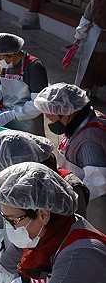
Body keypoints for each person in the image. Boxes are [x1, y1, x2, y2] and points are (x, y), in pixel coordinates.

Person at [0, 129, 90, 266]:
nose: (3, 181)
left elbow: (68, 240)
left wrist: (6, 264)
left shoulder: (69, 192)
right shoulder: (12, 190)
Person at [34, 83, 106, 233]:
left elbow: (98, 183)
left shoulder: (89, 141)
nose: (50, 122)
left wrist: (67, 201)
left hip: (93, 210)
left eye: (51, 117)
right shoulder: (79, 122)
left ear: (65, 112)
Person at [0, 33, 48, 135]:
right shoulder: (7, 66)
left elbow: (39, 103)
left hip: (28, 123)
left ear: (11, 54)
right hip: (8, 120)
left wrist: (12, 114)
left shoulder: (34, 67)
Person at [72, 0, 106, 97]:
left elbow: (84, 22)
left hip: (93, 39)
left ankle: (82, 94)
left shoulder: (94, 3)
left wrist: (78, 38)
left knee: (87, 66)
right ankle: (94, 94)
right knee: (101, 66)